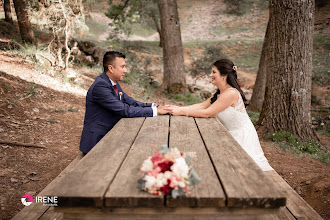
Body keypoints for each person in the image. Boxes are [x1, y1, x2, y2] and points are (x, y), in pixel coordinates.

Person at [167, 59, 273, 171]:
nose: (210, 75)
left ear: (224, 75)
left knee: (243, 169)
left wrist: (181, 112)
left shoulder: (231, 93)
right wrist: (177, 108)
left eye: (213, 72)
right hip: (229, 134)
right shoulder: (220, 92)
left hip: (241, 137)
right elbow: (202, 106)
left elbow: (207, 112)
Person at [80, 51, 169, 154]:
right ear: (111, 68)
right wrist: (155, 111)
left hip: (111, 134)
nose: (125, 70)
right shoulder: (100, 86)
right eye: (122, 67)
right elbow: (124, 110)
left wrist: (153, 106)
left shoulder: (112, 83)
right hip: (97, 141)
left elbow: (130, 102)